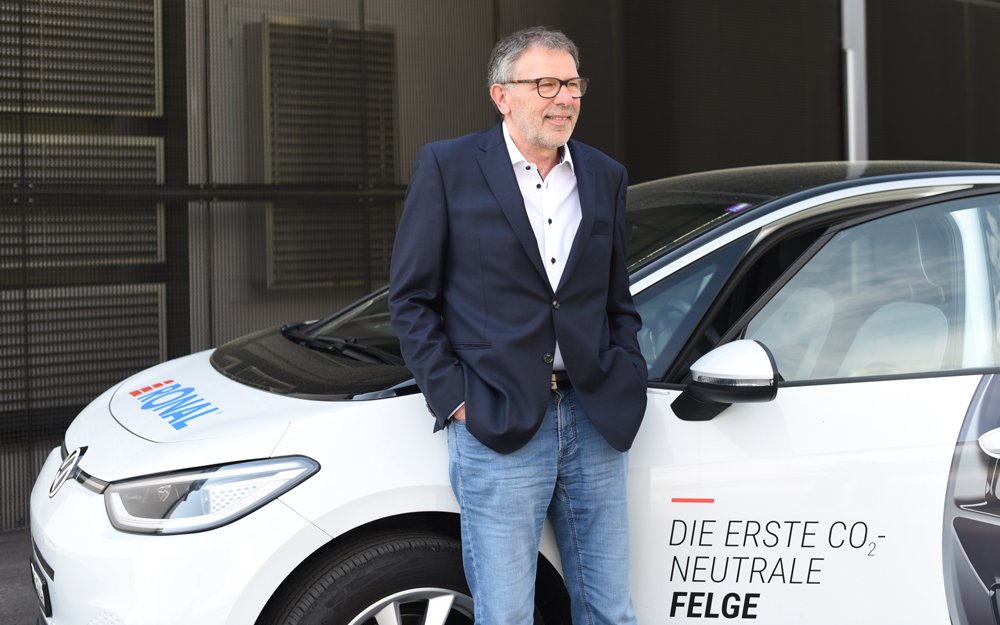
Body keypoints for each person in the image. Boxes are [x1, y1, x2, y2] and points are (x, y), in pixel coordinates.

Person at [388, 26, 647, 625]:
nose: (564, 99)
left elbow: (616, 298)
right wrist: (455, 400)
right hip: (497, 418)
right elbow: (411, 299)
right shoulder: (449, 166)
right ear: (502, 95)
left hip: (594, 415)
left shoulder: (604, 175)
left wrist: (626, 371)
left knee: (610, 610)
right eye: (546, 84)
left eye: (573, 84)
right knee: (505, 614)